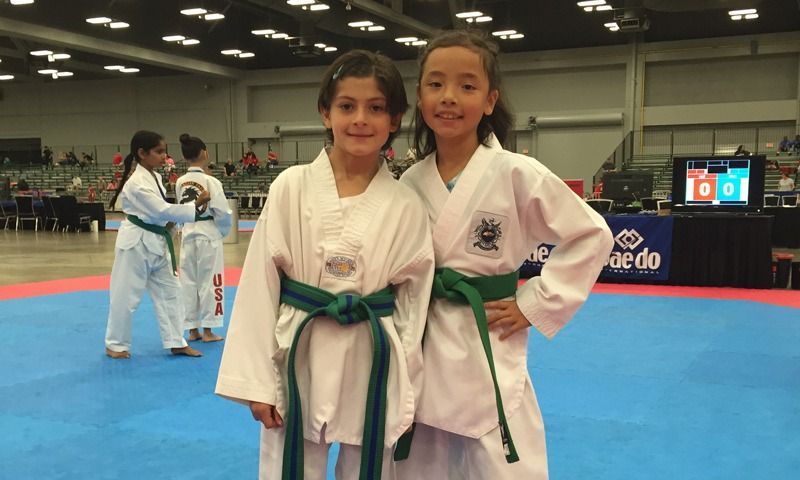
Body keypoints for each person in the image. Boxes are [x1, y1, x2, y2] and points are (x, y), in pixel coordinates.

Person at [394, 30, 614, 480]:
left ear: (490, 100)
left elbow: (592, 235)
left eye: (467, 86)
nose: (449, 97)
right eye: (435, 84)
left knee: (498, 455)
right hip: (421, 336)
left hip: (487, 336)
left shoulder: (517, 172)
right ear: (419, 97)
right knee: (420, 459)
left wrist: (535, 304)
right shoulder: (409, 182)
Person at [215, 50, 435, 480]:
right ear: (324, 112)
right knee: (288, 466)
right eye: (346, 106)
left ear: (395, 120)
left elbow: (414, 304)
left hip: (371, 358)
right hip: (299, 351)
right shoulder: (291, 186)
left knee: (367, 464)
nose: (360, 119)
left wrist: (407, 386)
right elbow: (260, 286)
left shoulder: (407, 203)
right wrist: (257, 383)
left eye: (375, 108)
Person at [104, 130, 209, 360]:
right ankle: (115, 344)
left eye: (164, 151)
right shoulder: (136, 184)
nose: (164, 156)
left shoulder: (155, 178)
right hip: (135, 244)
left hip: (157, 241)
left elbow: (162, 212)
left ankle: (176, 341)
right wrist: (194, 205)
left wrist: (175, 220)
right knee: (125, 296)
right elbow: (160, 210)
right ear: (142, 153)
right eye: (159, 151)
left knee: (172, 292)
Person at [176, 133, 233, 344]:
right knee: (211, 281)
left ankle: (192, 329)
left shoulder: (180, 182)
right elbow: (223, 212)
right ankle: (208, 330)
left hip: (188, 232)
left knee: (188, 282)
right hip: (208, 233)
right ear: (204, 153)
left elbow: (181, 209)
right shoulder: (211, 181)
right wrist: (221, 231)